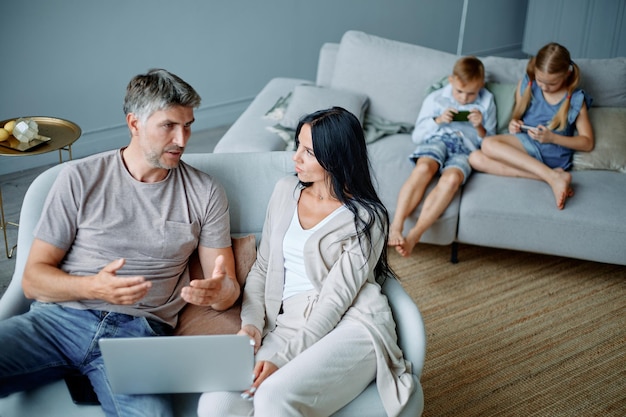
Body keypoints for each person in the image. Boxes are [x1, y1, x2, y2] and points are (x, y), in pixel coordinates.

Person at [0, 69, 240, 417]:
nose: (183, 139)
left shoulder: (205, 192)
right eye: (169, 126)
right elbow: (33, 280)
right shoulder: (80, 177)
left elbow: (228, 285)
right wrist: (94, 287)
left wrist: (220, 293)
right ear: (134, 123)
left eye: (188, 125)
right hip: (58, 321)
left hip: (138, 336)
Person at [197, 107, 414, 417]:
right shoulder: (286, 191)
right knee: (216, 405)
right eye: (297, 145)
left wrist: (283, 358)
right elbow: (263, 268)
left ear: (336, 156)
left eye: (308, 152)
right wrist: (252, 326)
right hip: (286, 324)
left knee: (273, 397)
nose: (295, 157)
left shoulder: (367, 218)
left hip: (352, 323)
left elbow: (335, 301)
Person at [389, 56, 496, 257]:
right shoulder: (436, 98)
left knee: (452, 179)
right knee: (424, 168)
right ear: (451, 80)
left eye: (471, 93)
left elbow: (490, 144)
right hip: (437, 140)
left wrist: (479, 126)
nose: (464, 98)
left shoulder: (487, 101)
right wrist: (438, 120)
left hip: (466, 148)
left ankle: (415, 234)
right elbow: (417, 136)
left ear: (481, 85)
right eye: (459, 92)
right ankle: (396, 226)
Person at [469, 42, 594, 209]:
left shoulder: (576, 99)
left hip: (552, 153)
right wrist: (515, 125)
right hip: (526, 145)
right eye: (540, 80)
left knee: (487, 144)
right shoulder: (528, 83)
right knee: (475, 158)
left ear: (566, 74)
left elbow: (587, 143)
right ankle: (551, 176)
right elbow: (517, 118)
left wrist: (553, 137)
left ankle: (552, 176)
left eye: (551, 83)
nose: (543, 86)